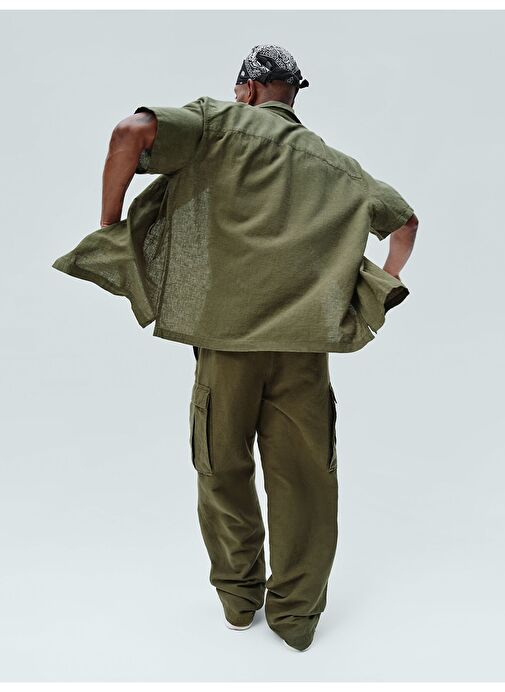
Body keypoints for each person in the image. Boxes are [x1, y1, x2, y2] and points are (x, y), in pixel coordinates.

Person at [52, 43, 418, 652]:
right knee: (306, 481)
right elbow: (405, 224)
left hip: (226, 346)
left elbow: (130, 132)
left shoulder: (217, 124)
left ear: (247, 88)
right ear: (292, 95)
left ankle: (239, 600)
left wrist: (110, 223)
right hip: (304, 351)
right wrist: (379, 282)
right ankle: (296, 619)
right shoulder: (338, 167)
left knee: (221, 468)